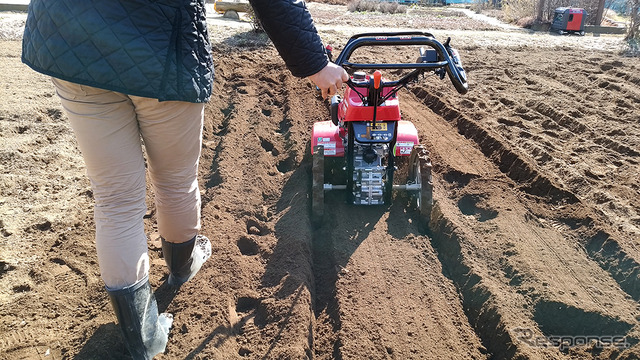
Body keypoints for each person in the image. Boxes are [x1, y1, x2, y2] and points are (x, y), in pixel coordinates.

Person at [21, 0, 348, 358]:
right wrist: (316, 63)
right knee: (174, 180)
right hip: (161, 46)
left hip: (72, 40)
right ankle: (182, 266)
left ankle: (142, 340)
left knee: (115, 199)